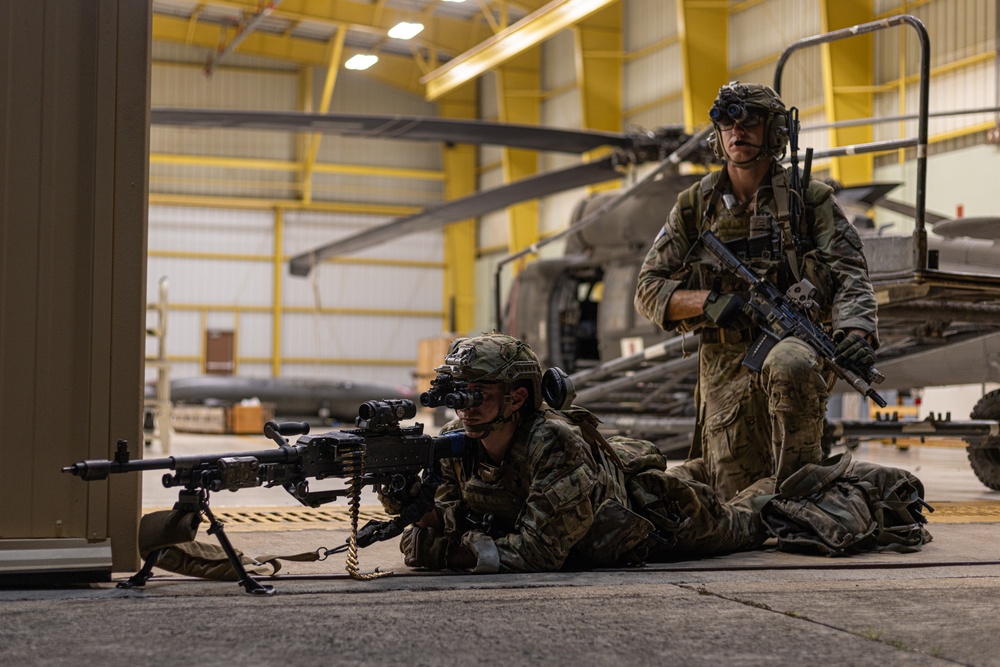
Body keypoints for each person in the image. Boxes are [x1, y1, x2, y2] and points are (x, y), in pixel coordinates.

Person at [634, 81, 879, 502]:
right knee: (736, 493)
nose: (737, 130)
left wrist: (856, 333)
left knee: (792, 366)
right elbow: (648, 289)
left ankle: (800, 498)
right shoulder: (695, 206)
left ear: (775, 132)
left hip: (794, 343)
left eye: (749, 120)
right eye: (727, 122)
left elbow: (851, 274)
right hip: (724, 364)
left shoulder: (809, 200)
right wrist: (708, 304)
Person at [391, 332, 763, 573]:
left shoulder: (552, 440)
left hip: (654, 516)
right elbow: (422, 535)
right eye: (459, 395)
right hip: (591, 492)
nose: (465, 408)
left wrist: (449, 552)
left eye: (478, 395)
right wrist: (423, 515)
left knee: (753, 520)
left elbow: (539, 551)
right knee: (702, 472)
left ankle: (784, 485)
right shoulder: (457, 440)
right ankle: (705, 469)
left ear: (517, 398)